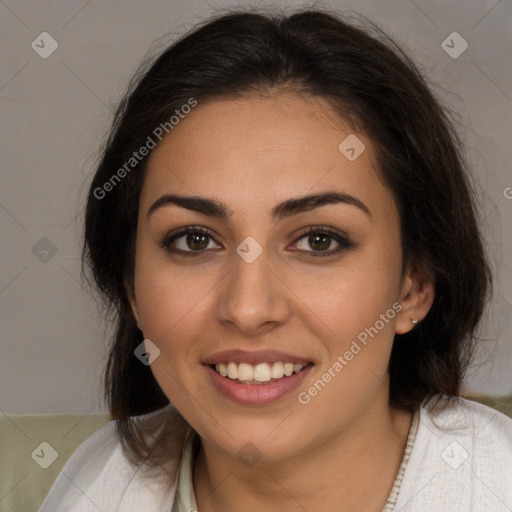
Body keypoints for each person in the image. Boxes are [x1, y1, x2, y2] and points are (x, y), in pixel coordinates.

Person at [38, 7, 512, 512]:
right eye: (194, 241)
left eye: (319, 241)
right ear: (132, 287)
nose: (247, 308)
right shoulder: (89, 489)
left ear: (413, 285)